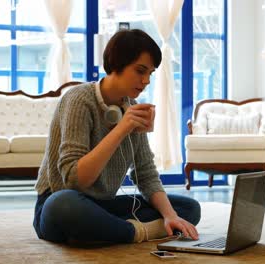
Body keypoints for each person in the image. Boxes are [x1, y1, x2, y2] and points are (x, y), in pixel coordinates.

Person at [33, 29, 200, 245]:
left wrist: (170, 215)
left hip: (102, 206)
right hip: (61, 200)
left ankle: (111, 230)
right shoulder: (79, 100)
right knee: (64, 206)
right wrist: (122, 129)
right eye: (140, 71)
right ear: (117, 63)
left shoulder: (132, 109)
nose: (146, 80)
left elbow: (146, 175)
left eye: (150, 73)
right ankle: (139, 232)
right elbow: (75, 180)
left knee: (188, 209)